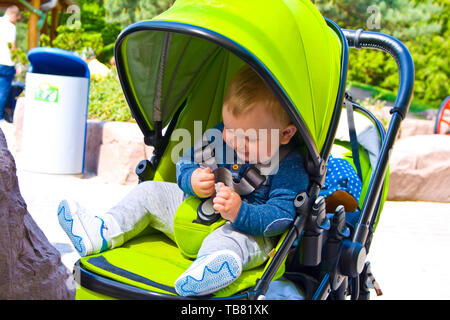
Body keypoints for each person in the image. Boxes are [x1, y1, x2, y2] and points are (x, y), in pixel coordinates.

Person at [58, 65, 309, 297]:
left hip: (247, 228)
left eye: (250, 139)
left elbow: (281, 216)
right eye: (230, 130)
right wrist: (193, 179)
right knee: (150, 191)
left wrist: (240, 212)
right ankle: (103, 230)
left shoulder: (289, 164)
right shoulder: (220, 137)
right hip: (194, 212)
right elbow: (186, 162)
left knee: (233, 240)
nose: (235, 142)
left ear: (285, 134)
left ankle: (209, 269)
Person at [0, 5, 20, 120]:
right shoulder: (11, 27)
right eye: (17, 19)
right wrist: (18, 62)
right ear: (13, 15)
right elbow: (12, 46)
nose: (16, 22)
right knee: (2, 92)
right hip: (6, 63)